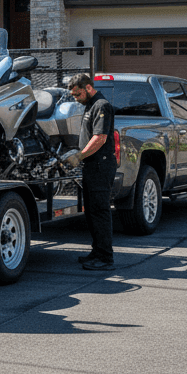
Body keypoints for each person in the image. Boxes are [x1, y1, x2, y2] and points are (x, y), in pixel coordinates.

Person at [64, 73, 116, 270]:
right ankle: (97, 252)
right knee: (92, 212)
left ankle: (105, 258)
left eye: (78, 94)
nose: (76, 99)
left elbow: (100, 138)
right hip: (92, 167)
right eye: (73, 96)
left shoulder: (102, 105)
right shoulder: (90, 105)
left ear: (88, 88)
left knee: (100, 212)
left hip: (101, 166)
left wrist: (79, 156)